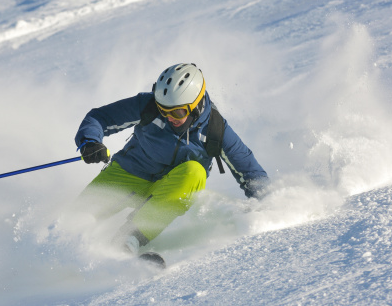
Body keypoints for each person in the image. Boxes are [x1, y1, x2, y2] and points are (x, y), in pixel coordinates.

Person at [74, 63, 269, 255]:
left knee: (195, 172)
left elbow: (251, 172)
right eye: (163, 110)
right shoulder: (148, 106)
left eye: (177, 112)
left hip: (171, 191)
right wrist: (90, 142)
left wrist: (269, 207)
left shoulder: (216, 130)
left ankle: (128, 239)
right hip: (129, 172)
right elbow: (100, 117)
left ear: (196, 107)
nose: (169, 117)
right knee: (75, 221)